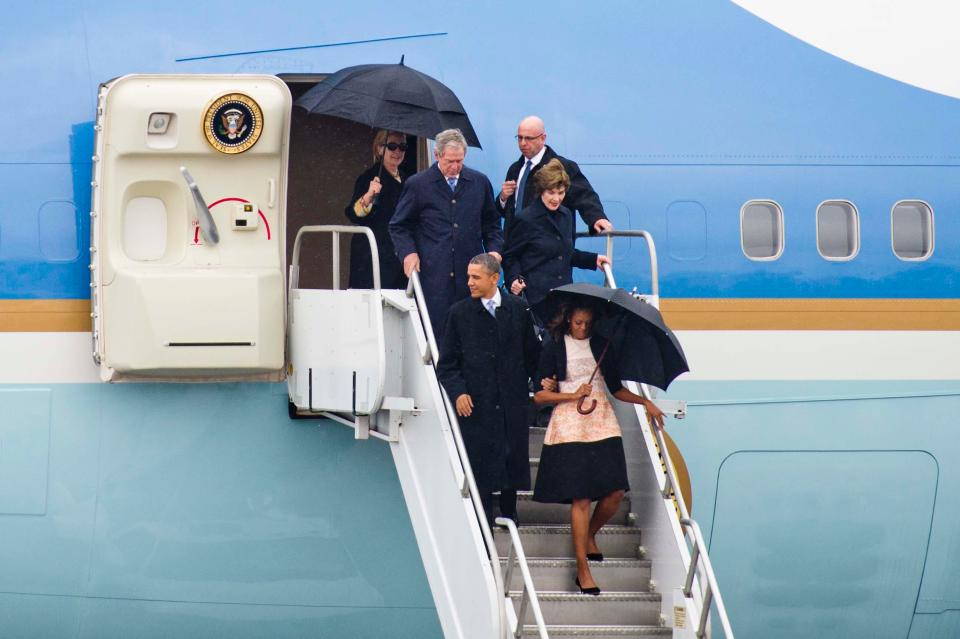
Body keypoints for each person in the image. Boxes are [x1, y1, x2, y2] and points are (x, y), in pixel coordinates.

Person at [532, 302, 666, 595]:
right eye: (578, 323)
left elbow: (616, 388)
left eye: (587, 324)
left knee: (616, 491)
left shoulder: (603, 345)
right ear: (568, 319)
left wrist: (646, 402)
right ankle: (583, 570)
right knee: (581, 498)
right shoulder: (553, 345)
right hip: (569, 424)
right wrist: (569, 395)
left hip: (603, 421)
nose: (582, 329)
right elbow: (539, 397)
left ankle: (590, 534)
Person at [437, 254, 541, 526]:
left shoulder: (518, 309)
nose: (469, 282)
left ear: (494, 278)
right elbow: (447, 364)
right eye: (469, 276)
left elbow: (533, 354)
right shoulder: (459, 313)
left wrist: (542, 382)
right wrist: (458, 392)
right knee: (480, 461)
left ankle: (510, 509)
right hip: (477, 403)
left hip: (511, 402)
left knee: (511, 457)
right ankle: (483, 516)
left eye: (475, 277)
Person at [390, 129, 503, 340]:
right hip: (435, 277)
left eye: (459, 161)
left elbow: (492, 224)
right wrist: (408, 253)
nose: (455, 167)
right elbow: (398, 225)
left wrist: (495, 251)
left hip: (471, 277)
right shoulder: (418, 184)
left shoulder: (479, 182)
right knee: (438, 335)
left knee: (473, 335)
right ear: (437, 155)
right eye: (450, 161)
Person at [502, 158, 611, 309]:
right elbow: (510, 256)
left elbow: (564, 252)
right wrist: (513, 278)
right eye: (551, 192)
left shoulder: (565, 215)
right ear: (541, 190)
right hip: (536, 297)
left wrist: (593, 259)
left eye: (561, 193)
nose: (556, 198)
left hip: (563, 295)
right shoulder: (526, 219)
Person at [498, 116, 614, 240]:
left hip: (548, 247)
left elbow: (584, 195)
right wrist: (502, 198)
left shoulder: (563, 166)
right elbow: (509, 211)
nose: (523, 143)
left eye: (529, 138)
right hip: (516, 246)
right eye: (520, 138)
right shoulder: (515, 169)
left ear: (543, 138)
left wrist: (597, 218)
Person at [344, 130, 409, 289]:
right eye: (392, 146)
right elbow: (353, 214)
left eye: (402, 147)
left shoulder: (407, 179)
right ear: (380, 149)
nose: (397, 151)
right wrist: (369, 195)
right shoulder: (369, 177)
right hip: (372, 254)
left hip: (397, 252)